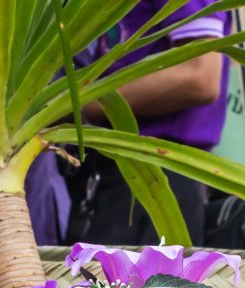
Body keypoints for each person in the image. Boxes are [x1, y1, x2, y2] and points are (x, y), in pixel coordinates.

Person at [64, 1, 233, 247]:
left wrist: (79, 106)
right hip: (119, 174)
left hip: (154, 176)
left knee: (134, 284)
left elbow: (199, 76)